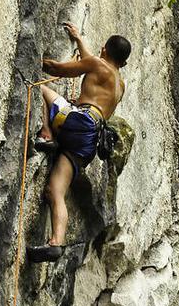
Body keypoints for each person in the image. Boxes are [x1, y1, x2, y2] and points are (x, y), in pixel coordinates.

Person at [27, 23, 131, 263]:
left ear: (104, 51)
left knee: (42, 89)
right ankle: (56, 243)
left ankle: (47, 135)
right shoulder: (119, 84)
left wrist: (35, 60)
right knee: (55, 190)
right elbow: (93, 63)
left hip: (79, 124)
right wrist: (79, 39)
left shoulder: (97, 64)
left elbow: (59, 69)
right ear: (123, 63)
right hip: (88, 142)